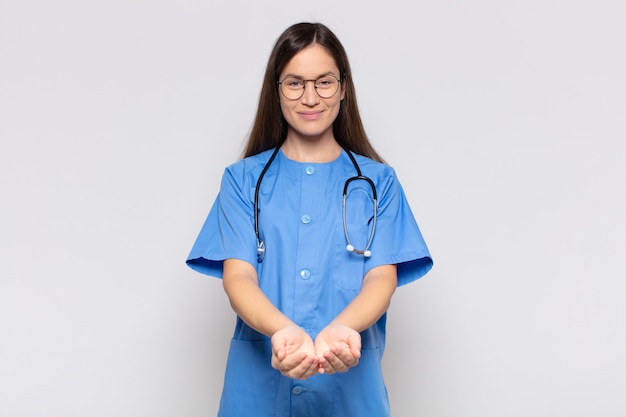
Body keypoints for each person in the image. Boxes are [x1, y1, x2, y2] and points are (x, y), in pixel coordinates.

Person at [186, 22, 433, 417]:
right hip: (257, 393)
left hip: (351, 392)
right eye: (295, 83)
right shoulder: (242, 181)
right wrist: (282, 331)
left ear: (343, 88)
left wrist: (341, 331)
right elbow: (239, 277)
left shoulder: (378, 183)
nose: (310, 96)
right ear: (276, 89)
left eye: (324, 81)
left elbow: (381, 278)